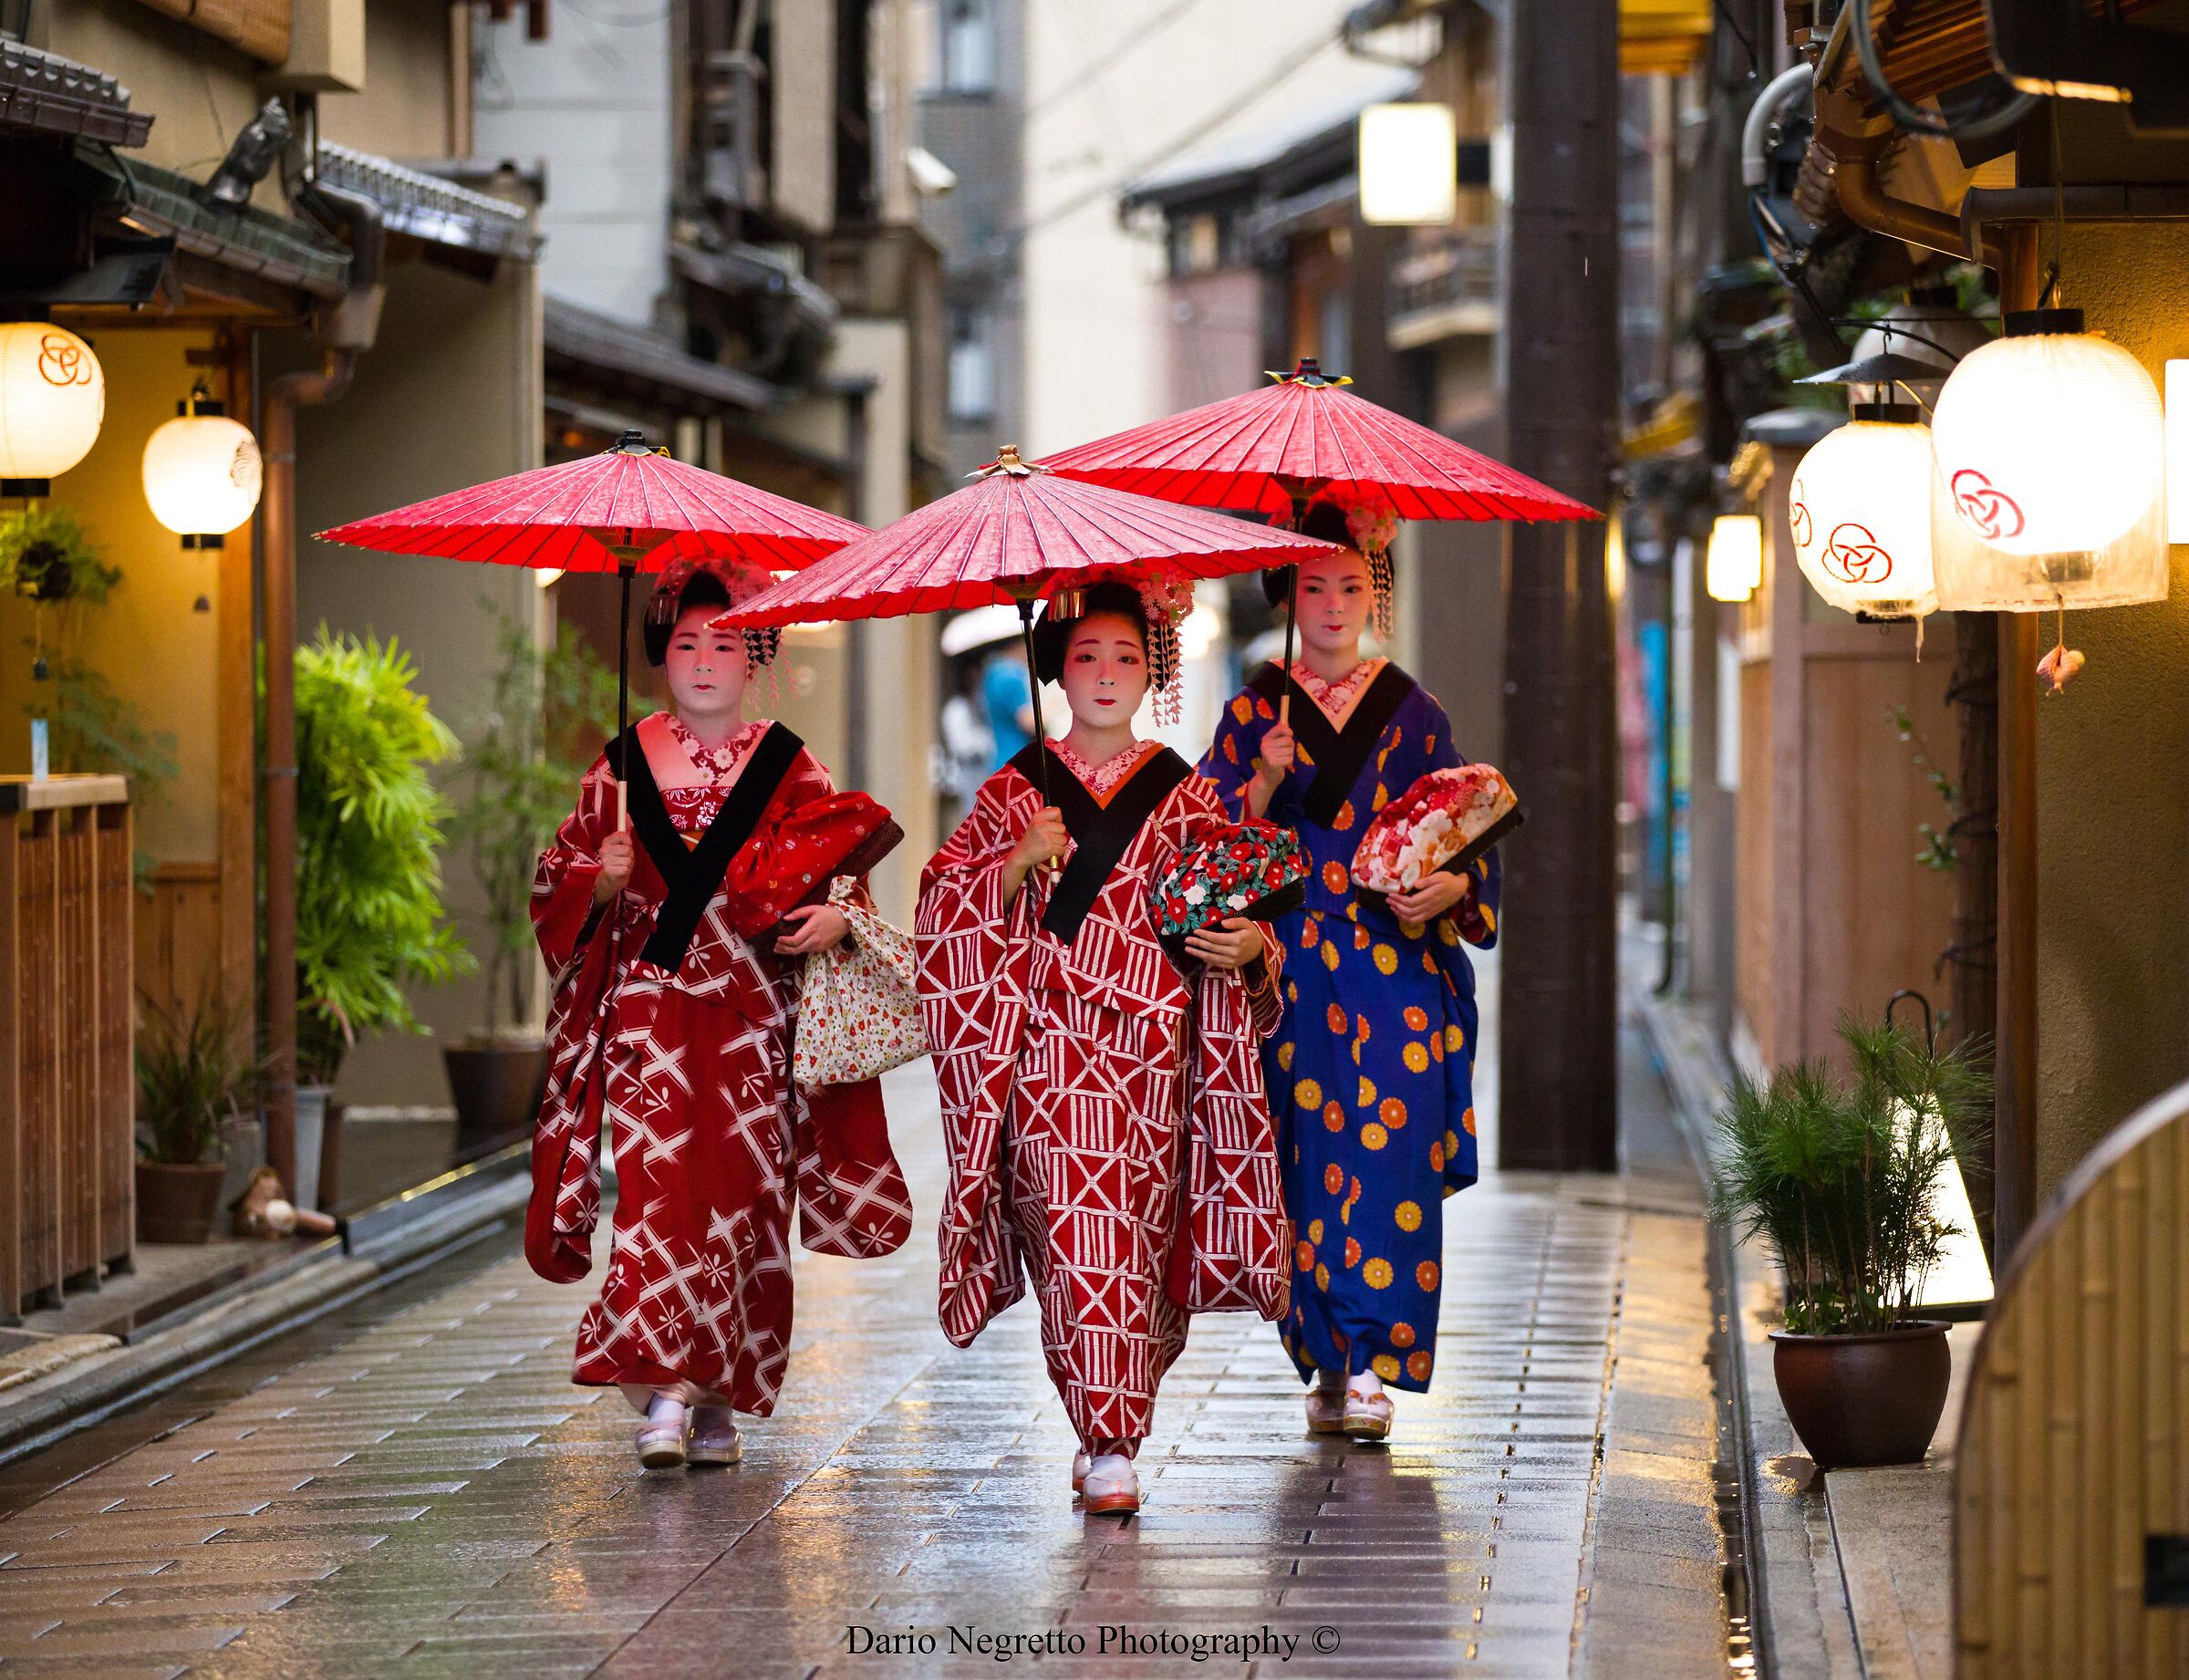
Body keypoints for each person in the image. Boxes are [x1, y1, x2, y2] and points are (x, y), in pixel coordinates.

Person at [525, 557, 912, 1473]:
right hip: (653, 1016)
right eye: (688, 641)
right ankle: (664, 1390)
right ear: (663, 654)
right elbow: (555, 881)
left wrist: (837, 917)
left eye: (726, 643)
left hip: (754, 1017)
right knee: (660, 1201)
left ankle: (718, 1395)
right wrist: (601, 879)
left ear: (756, 657)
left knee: (745, 1207)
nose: (705, 659)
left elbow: (844, 874)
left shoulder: (789, 763)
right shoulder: (617, 767)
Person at [917, 580, 1290, 1518]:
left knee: (1139, 1243)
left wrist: (1251, 951)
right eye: (1086, 656)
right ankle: (1108, 1434)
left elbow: (1233, 907)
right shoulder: (1014, 793)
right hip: (1049, 1049)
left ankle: (1110, 1413)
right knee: (1080, 1235)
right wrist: (1011, 863)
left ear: (1153, 667)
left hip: (1155, 1054)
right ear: (1055, 670)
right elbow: (938, 913)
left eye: (1127, 656)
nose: (1107, 675)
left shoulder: (1184, 792)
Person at [1198, 502, 1501, 1443]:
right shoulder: (1254, 710)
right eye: (1315, 586)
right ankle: (1325, 1355)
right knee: (1306, 1159)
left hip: (1396, 965)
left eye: (1352, 586)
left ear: (1378, 591)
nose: (1333, 604)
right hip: (1292, 967)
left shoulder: (1417, 711)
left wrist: (1448, 887)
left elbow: (1465, 835)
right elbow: (1204, 844)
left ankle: (1371, 1361)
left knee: (1389, 1155)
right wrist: (1259, 785)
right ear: (1286, 591)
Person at [980, 640, 1035, 771]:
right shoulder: (1013, 675)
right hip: (1019, 758)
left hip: (999, 758)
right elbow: (1029, 723)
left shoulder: (992, 672)